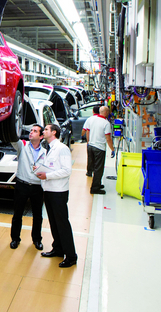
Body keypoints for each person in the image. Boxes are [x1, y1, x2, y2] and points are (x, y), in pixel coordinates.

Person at [34, 124, 77, 268]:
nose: (43, 131)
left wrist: (47, 175)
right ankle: (58, 249)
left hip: (58, 192)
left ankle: (71, 256)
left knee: (62, 223)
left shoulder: (62, 149)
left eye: (45, 129)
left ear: (54, 132)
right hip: (49, 190)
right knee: (53, 222)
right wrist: (40, 169)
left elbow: (66, 170)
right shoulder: (50, 149)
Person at [9, 124, 46, 251]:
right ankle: (15, 239)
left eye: (35, 131)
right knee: (17, 213)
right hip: (22, 185)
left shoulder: (45, 152)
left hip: (37, 187)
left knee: (37, 215)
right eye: (31, 130)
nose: (31, 133)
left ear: (41, 136)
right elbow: (12, 137)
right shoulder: (22, 146)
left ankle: (37, 239)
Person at [84, 105, 114, 195]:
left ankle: (97, 183)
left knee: (93, 166)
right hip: (99, 148)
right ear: (106, 113)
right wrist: (112, 149)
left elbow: (87, 131)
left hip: (91, 146)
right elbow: (108, 138)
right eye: (108, 112)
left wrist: (88, 142)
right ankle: (95, 188)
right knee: (98, 169)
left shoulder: (92, 119)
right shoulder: (106, 123)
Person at [83, 105, 101, 176]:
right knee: (98, 161)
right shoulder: (102, 120)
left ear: (92, 111)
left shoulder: (89, 119)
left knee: (90, 158)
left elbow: (85, 130)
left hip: (91, 143)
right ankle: (96, 173)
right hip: (99, 144)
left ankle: (89, 172)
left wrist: (86, 140)